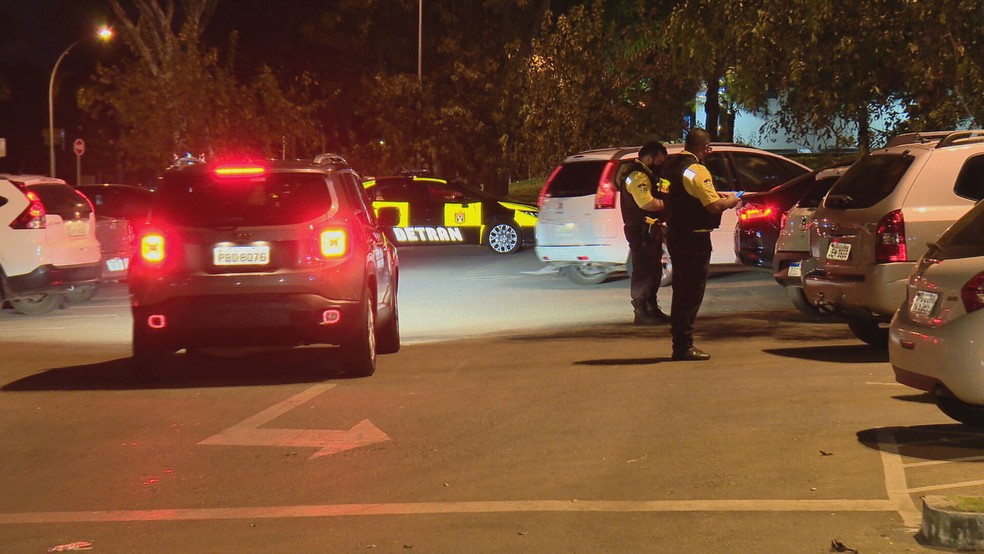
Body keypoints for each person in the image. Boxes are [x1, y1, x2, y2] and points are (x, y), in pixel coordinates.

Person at [662, 128, 742, 361]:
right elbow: (713, 207)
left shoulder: (671, 167)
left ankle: (681, 343)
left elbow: (676, 194)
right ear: (706, 148)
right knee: (690, 294)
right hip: (693, 238)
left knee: (681, 292)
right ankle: (683, 346)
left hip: (675, 234)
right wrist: (731, 200)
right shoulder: (697, 170)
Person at [619, 141, 670, 325]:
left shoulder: (648, 174)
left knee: (654, 269)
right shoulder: (637, 176)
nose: (661, 164)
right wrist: (669, 205)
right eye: (659, 160)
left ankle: (651, 307)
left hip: (650, 229)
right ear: (649, 158)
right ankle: (640, 311)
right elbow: (646, 203)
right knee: (643, 270)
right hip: (640, 229)